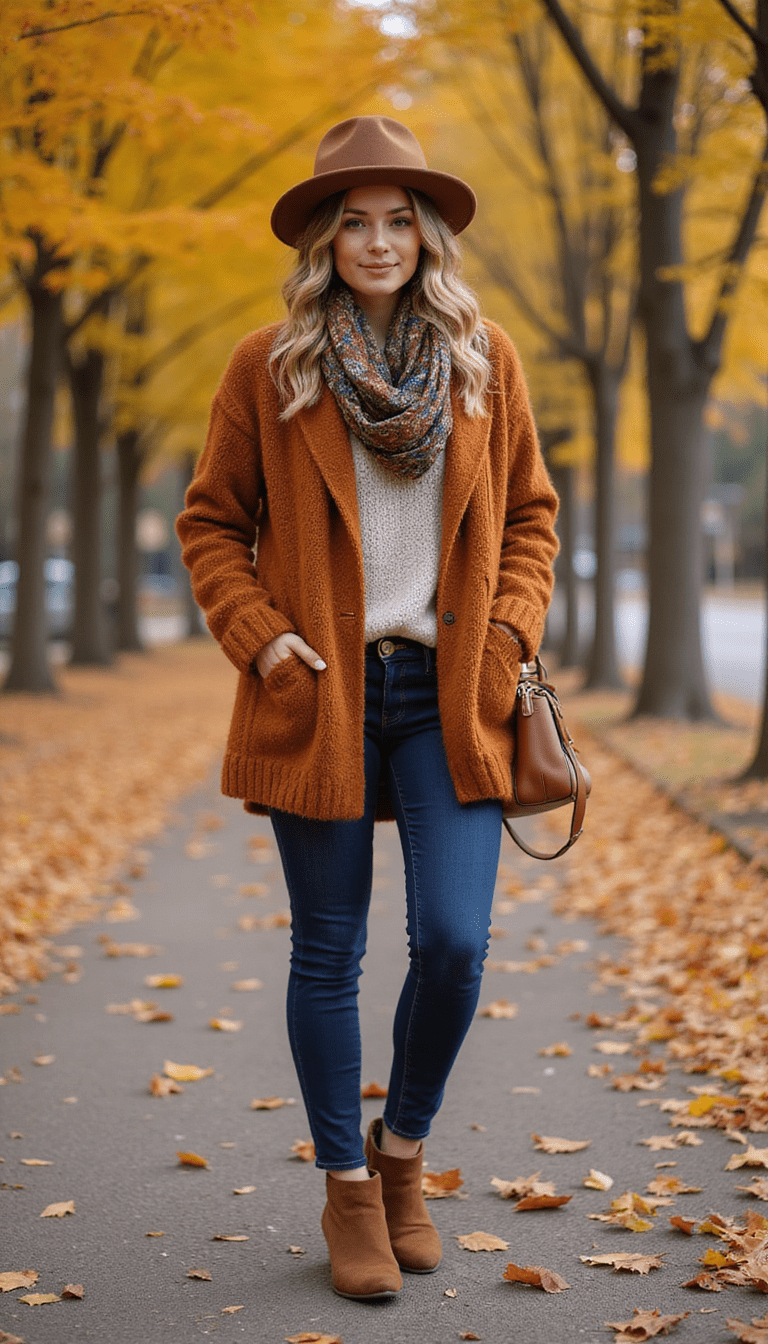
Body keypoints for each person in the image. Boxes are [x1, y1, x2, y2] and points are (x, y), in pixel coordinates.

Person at [176, 115, 559, 1303]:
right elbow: (208, 524)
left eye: (401, 220)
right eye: (357, 221)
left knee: (452, 941)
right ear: (325, 239)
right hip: (325, 690)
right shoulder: (269, 364)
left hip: (452, 691)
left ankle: (404, 1160)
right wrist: (265, 641)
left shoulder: (484, 356)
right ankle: (346, 1189)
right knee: (329, 951)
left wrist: (503, 642)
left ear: (429, 234)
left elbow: (533, 519)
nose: (380, 240)